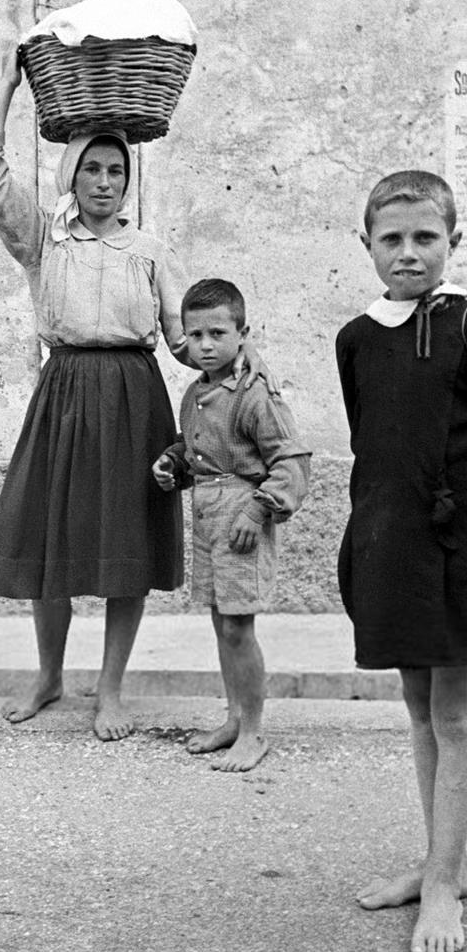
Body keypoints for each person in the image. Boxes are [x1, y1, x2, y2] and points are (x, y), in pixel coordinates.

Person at [0, 51, 274, 741]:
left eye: (116, 170)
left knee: (124, 547)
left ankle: (110, 690)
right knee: (50, 543)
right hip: (63, 397)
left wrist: (240, 364)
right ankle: (50, 676)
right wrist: (5, 88)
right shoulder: (43, 239)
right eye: (92, 168)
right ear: (70, 174)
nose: (105, 181)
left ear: (127, 180)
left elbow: (182, 337)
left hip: (134, 400)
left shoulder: (149, 249)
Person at [336, 168, 467, 952]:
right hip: (392, 542)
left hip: (459, 548)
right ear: (368, 247)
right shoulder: (356, 337)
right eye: (393, 239)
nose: (409, 254)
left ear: (454, 240)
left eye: (426, 237)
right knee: (420, 715)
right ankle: (438, 861)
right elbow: (371, 441)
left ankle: (448, 886)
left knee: (456, 719)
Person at [152, 279, 310, 772]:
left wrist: (258, 510)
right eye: (195, 334)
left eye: (218, 333)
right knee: (222, 623)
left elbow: (292, 462)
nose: (205, 345)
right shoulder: (196, 392)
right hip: (207, 515)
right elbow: (197, 446)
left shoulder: (255, 394)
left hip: (243, 517)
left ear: (244, 333)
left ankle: (255, 731)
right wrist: (172, 463)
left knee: (240, 627)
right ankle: (234, 719)